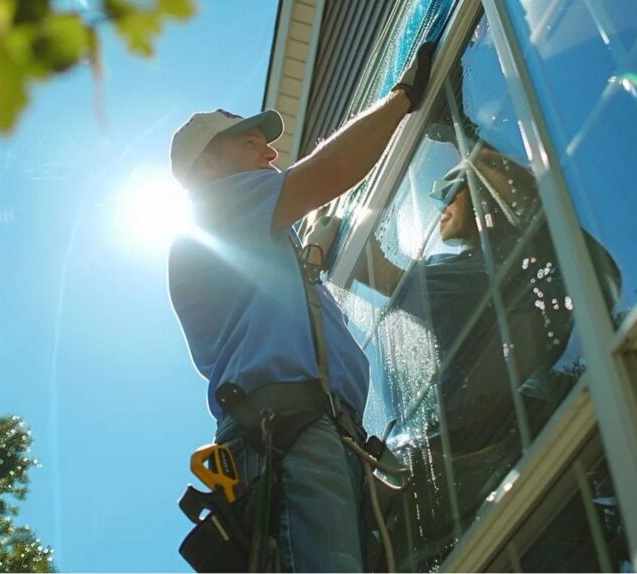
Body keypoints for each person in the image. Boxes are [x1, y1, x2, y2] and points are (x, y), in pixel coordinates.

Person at [166, 44, 436, 572]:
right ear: (208, 165)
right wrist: (403, 98)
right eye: (252, 143)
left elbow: (280, 295)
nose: (270, 154)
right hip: (287, 432)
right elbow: (332, 168)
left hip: (314, 432)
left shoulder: (246, 234)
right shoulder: (212, 210)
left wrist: (313, 253)